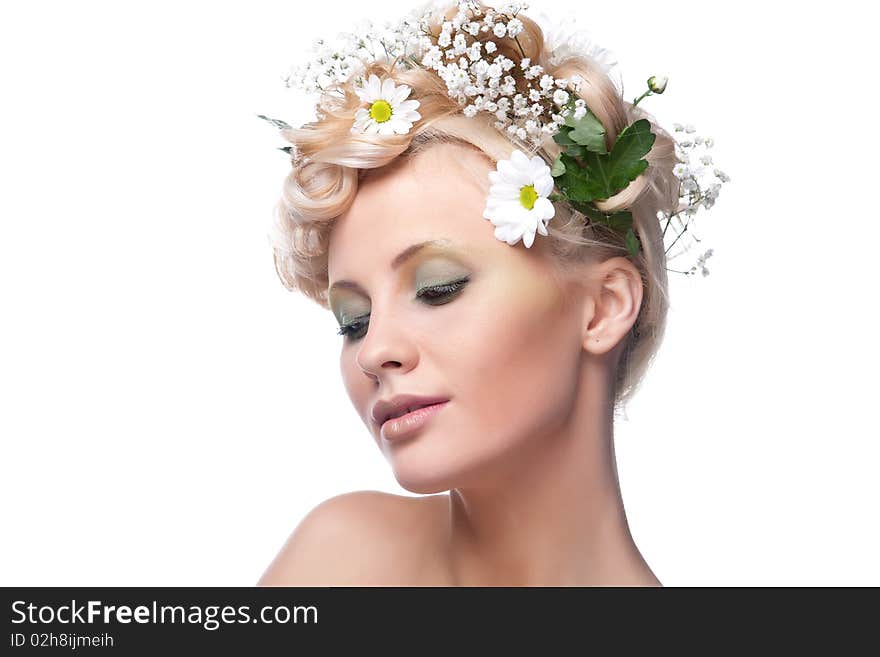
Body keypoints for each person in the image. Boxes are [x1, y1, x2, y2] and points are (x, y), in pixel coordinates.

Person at [257, 0, 717, 586]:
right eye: (353, 320)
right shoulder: (342, 561)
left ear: (604, 307)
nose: (374, 352)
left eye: (437, 288)